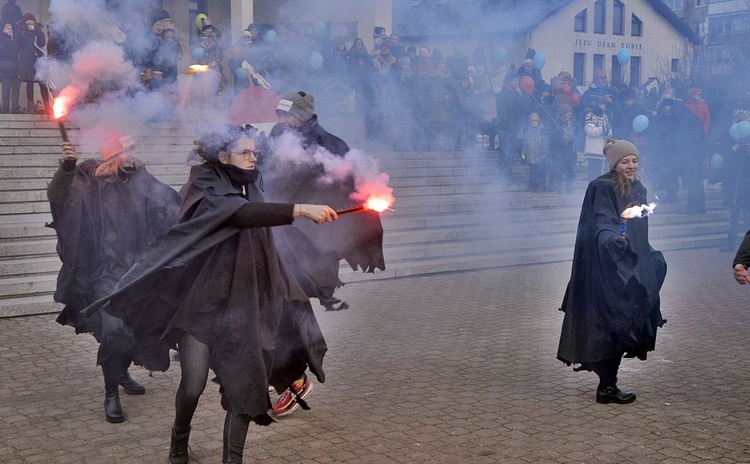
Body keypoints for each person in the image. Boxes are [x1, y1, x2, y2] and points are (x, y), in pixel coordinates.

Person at [83, 125, 337, 463]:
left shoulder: (252, 184)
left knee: (245, 383)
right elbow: (239, 214)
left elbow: (261, 232)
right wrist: (299, 209)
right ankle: (179, 438)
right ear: (222, 156)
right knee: (193, 383)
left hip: (244, 300)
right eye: (244, 152)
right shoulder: (205, 184)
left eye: (253, 151)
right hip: (201, 303)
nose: (253, 157)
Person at [47, 134, 181, 423]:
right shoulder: (89, 179)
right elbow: (57, 196)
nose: (133, 154)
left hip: (135, 272)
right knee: (113, 330)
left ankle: (120, 371)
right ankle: (111, 394)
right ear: (112, 154)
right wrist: (67, 167)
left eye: (134, 148)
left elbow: (171, 203)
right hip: (101, 273)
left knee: (135, 328)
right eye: (126, 150)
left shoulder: (142, 178)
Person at [557, 138, 667, 404]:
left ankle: (608, 384)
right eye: (625, 161)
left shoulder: (639, 187)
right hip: (607, 267)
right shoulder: (601, 187)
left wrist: (644, 254)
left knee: (629, 320)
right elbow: (600, 223)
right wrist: (611, 240)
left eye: (634, 160)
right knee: (609, 323)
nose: (631, 166)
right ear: (614, 163)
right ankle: (607, 386)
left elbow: (638, 226)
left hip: (631, 263)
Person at [14, 13, 49, 113]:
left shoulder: (39, 32)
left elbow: (42, 43)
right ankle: (30, 107)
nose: (30, 23)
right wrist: (22, 29)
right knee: (30, 83)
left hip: (38, 61)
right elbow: (16, 41)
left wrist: (37, 31)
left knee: (43, 83)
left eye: (31, 21)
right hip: (26, 62)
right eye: (28, 21)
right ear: (24, 22)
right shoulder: (21, 32)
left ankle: (47, 107)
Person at [0, 21, 20, 114]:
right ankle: (5, 108)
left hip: (15, 68)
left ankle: (15, 107)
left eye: (11, 28)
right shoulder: (2, 39)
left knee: (16, 88)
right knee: (6, 88)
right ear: (3, 29)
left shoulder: (14, 40)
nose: (10, 30)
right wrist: (15, 55)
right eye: (8, 28)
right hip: (5, 68)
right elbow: (3, 52)